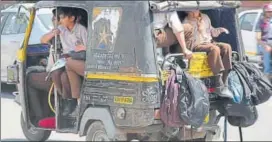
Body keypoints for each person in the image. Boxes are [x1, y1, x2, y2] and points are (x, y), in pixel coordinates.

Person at [183, 10, 233, 98]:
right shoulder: (186, 21)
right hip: (197, 45)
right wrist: (199, 29)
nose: (192, 13)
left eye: (194, 11)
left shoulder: (205, 17)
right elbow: (188, 40)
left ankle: (225, 82)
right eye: (190, 12)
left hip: (209, 42)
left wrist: (219, 30)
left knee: (226, 47)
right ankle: (218, 84)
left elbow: (212, 31)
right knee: (214, 49)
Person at [54, 7, 88, 116]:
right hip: (70, 59)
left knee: (68, 63)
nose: (60, 20)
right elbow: (43, 39)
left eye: (63, 18)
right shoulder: (62, 29)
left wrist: (83, 47)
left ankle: (76, 101)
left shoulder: (81, 29)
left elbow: (90, 47)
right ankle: (71, 101)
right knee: (61, 73)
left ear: (72, 18)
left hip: (84, 60)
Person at [256, 3, 272, 75]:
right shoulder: (260, 23)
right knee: (267, 52)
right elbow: (258, 38)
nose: (270, 13)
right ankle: (267, 73)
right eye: (268, 11)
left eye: (271, 11)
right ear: (264, 12)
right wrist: (265, 46)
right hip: (263, 44)